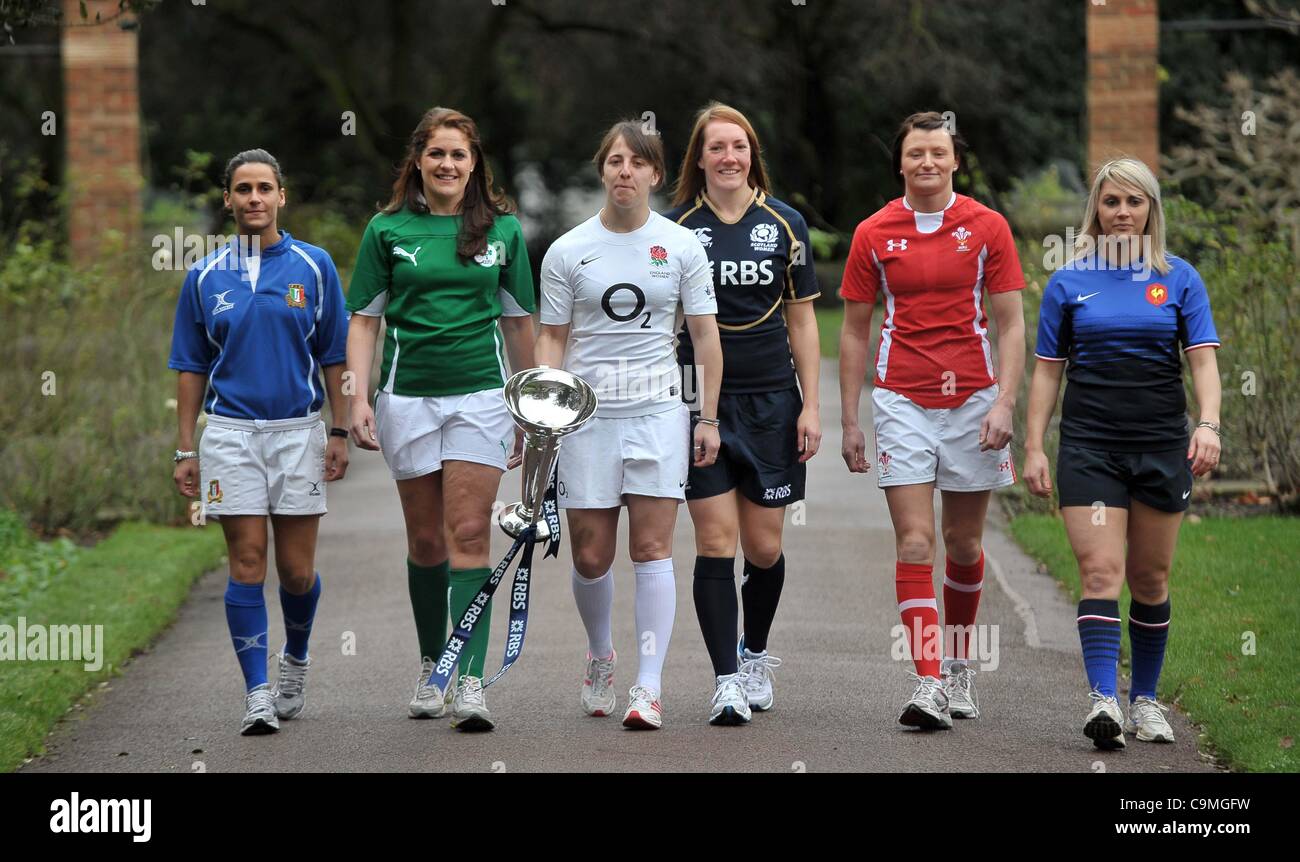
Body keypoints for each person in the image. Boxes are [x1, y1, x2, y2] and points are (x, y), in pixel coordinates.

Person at [346, 107, 536, 732]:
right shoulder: (386, 229)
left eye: (458, 154)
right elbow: (366, 320)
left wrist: (530, 406)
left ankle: (472, 680)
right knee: (426, 542)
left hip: (480, 398)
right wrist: (357, 398)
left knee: (470, 534)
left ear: (474, 162)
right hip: (408, 399)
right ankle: (434, 666)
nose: (448, 165)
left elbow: (517, 323)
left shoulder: (503, 231)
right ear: (419, 162)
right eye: (436, 155)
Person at [1023, 157, 1221, 750]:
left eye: (1134, 202)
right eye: (1111, 202)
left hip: (1162, 448)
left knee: (1151, 578)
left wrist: (1208, 424)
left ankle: (1147, 701)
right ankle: (1103, 699)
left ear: (1151, 210)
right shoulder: (1068, 282)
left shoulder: (1180, 278)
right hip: (1090, 449)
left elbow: (1204, 361)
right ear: (1096, 211)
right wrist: (1033, 445)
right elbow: (1047, 374)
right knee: (1102, 573)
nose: (1122, 213)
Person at [840, 111, 1026, 729]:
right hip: (901, 399)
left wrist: (1004, 403)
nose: (927, 162)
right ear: (900, 162)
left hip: (974, 399)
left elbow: (1010, 322)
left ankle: (958, 664)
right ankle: (927, 684)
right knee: (915, 540)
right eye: (915, 153)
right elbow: (855, 330)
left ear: (954, 161)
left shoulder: (987, 226)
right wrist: (851, 420)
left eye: (938, 153)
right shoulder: (873, 232)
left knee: (964, 543)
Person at [536, 119, 722, 730]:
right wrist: (543, 417)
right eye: (615, 161)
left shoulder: (683, 246)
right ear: (602, 170)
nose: (625, 172)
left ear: (655, 174)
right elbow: (553, 338)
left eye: (637, 163)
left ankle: (649, 686)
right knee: (590, 555)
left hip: (658, 412)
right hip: (587, 419)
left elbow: (704, 338)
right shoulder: (567, 250)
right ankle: (599, 657)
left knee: (652, 547)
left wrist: (708, 417)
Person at [170, 148, 349, 735]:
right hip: (229, 435)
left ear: (280, 196)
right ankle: (256, 694)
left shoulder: (313, 266)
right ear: (227, 199)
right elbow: (190, 365)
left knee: (296, 573)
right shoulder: (202, 275)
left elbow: (334, 356)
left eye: (264, 188)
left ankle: (294, 659)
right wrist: (185, 448)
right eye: (242, 189)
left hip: (298, 432)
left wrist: (341, 431)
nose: (253, 198)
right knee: (247, 564)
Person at [664, 103, 821, 726]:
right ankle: (726, 680)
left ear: (752, 153)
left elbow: (803, 320)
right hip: (696, 401)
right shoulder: (675, 228)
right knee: (714, 541)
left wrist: (812, 405)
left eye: (739, 146)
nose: (729, 157)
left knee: (762, 546)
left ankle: (754, 654)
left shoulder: (784, 224)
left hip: (771, 400)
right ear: (698, 158)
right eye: (716, 147)